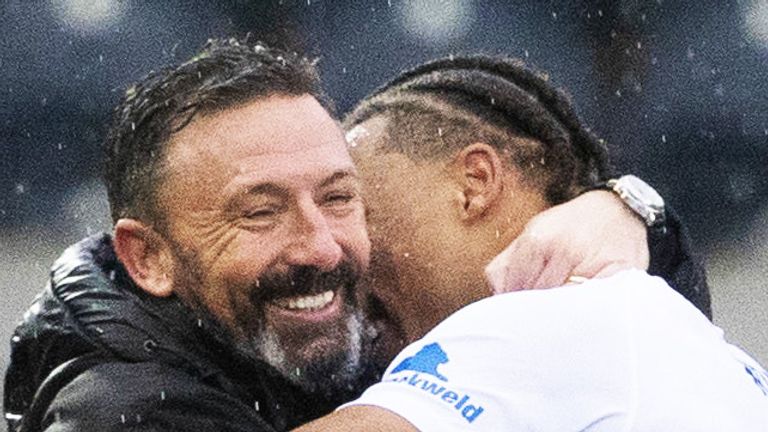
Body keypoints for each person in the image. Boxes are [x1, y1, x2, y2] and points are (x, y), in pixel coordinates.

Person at [4, 40, 708, 432]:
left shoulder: (332, 345)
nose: (322, 247)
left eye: (341, 198)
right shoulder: (122, 414)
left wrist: (633, 214)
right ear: (147, 257)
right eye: (260, 211)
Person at [294, 55, 768, 431]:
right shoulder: (697, 346)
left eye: (354, 206)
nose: (340, 251)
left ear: (474, 183)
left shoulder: (541, 321)